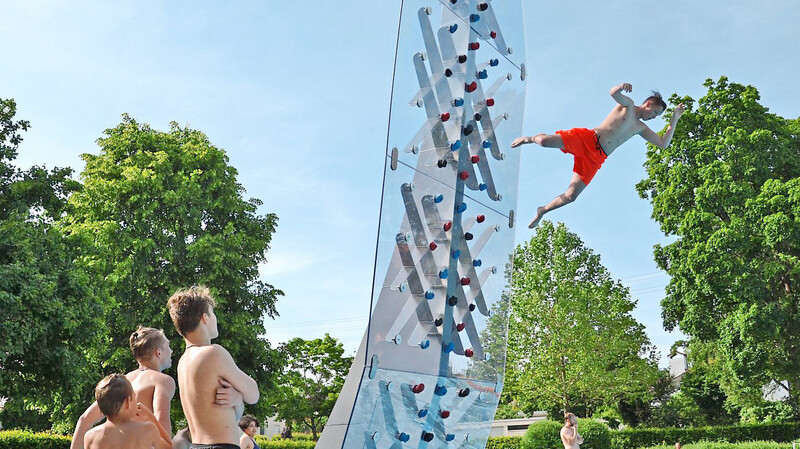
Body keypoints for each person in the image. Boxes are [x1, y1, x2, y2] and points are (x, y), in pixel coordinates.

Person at [512, 83, 687, 228]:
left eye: (657, 116)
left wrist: (675, 119)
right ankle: (529, 138)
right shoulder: (628, 106)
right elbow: (613, 93)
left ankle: (542, 210)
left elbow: (663, 144)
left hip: (597, 157)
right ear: (648, 104)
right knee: (543, 142)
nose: (654, 117)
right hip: (588, 139)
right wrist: (621, 87)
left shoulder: (641, 128)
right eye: (655, 113)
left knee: (571, 196)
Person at [169, 286, 260, 449]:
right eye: (213, 313)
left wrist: (237, 397)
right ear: (205, 318)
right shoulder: (214, 353)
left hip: (197, 444)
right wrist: (240, 394)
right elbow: (253, 394)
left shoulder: (183, 362)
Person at [70, 327, 176, 449]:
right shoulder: (162, 380)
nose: (171, 351)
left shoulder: (121, 382)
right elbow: (162, 425)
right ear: (159, 352)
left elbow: (84, 419)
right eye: (168, 346)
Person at [83, 374, 172, 449]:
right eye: (134, 397)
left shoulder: (90, 437)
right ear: (128, 402)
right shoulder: (147, 429)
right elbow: (169, 447)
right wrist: (151, 417)